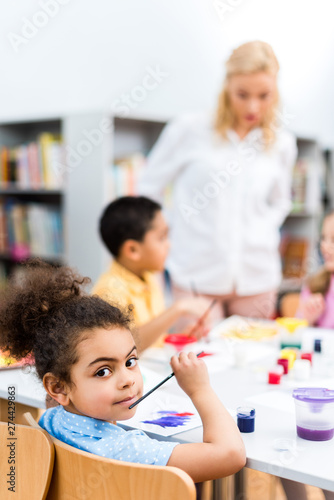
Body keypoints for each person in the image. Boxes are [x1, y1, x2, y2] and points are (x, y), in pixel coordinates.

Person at [0, 260, 246, 482]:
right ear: (57, 387)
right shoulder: (126, 449)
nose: (128, 380)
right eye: (103, 372)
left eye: (130, 362)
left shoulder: (52, 420)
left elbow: (54, 399)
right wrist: (200, 389)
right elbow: (230, 455)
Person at [137, 40, 298, 326]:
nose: (253, 106)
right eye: (242, 94)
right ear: (227, 86)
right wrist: (171, 230)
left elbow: (280, 200)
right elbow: (149, 188)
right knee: (197, 361)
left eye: (264, 95)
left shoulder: (282, 143)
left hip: (257, 277)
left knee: (253, 360)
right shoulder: (189, 129)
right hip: (196, 273)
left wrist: (261, 228)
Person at [92, 196, 211, 351]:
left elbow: (152, 341)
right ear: (132, 250)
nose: (169, 245)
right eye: (162, 238)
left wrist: (182, 337)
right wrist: (177, 309)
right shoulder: (110, 290)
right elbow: (127, 347)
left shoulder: (148, 277)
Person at [296, 210, 334, 328]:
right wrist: (308, 319)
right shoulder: (315, 285)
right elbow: (296, 329)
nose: (324, 246)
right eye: (323, 238)